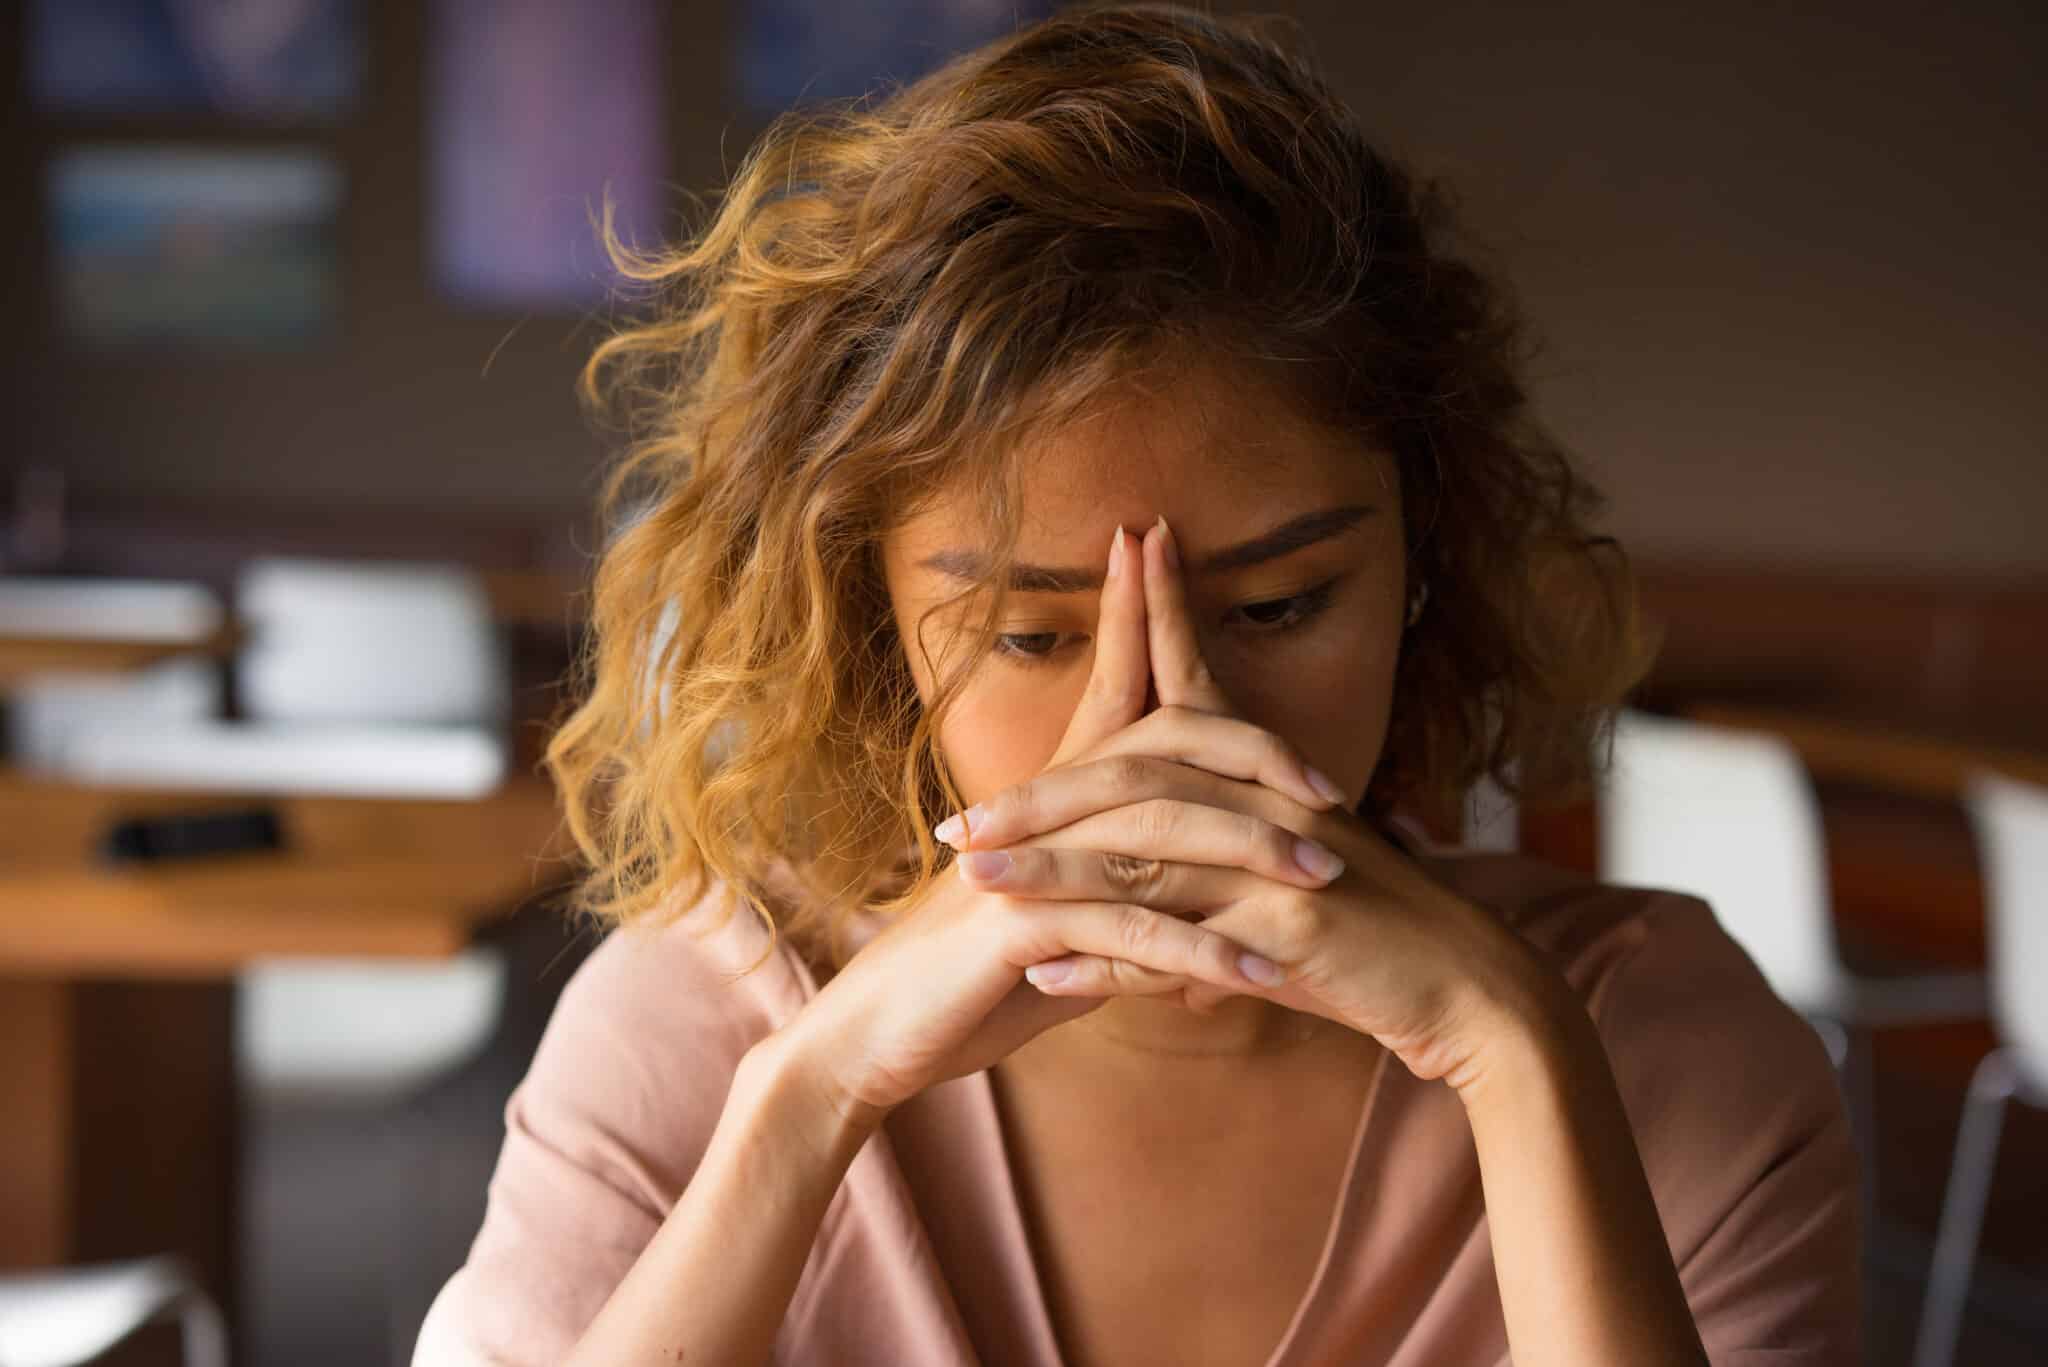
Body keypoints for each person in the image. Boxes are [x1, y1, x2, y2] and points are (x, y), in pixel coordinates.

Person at [413, 5, 1861, 1364]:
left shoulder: (1664, 1050)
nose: (1171, 730)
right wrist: (809, 1104)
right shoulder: (707, 1027)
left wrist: (1516, 1058)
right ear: (877, 639)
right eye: (1031, 635)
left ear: (1428, 570)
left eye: (1285, 604)